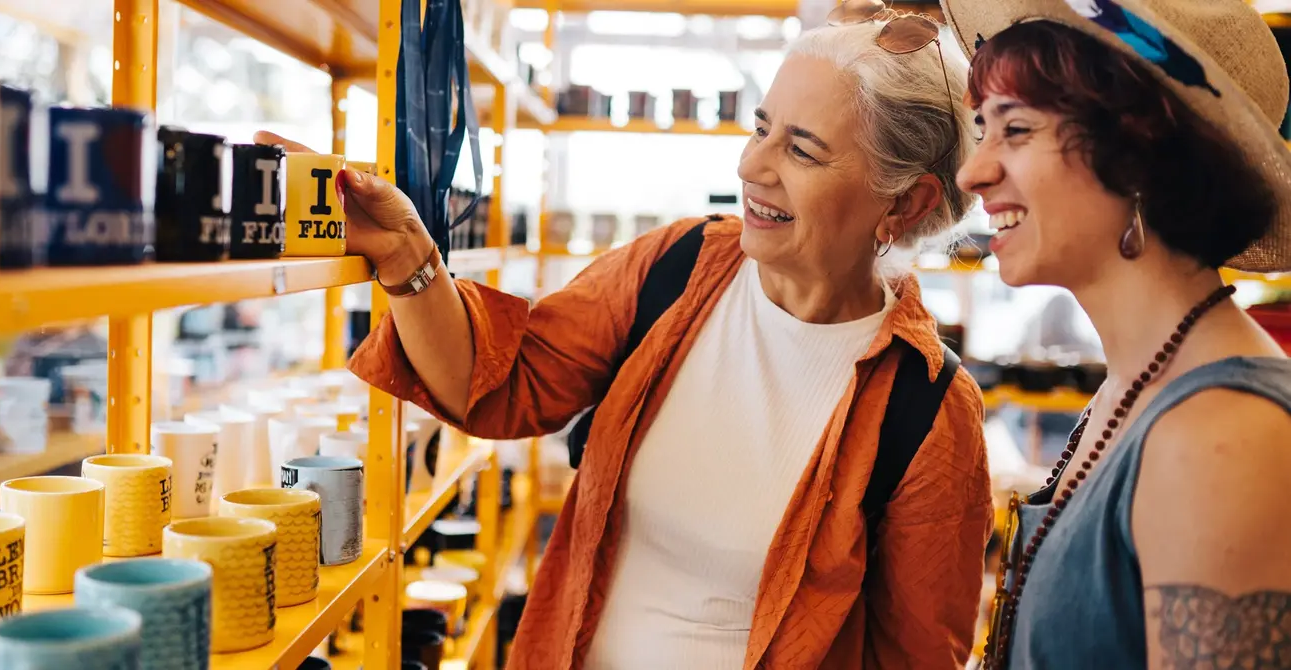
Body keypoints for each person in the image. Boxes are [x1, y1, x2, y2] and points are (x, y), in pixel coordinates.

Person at [267, 6, 991, 667]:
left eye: (801, 150)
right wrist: (404, 252)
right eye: (761, 127)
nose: (751, 167)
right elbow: (500, 382)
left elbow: (918, 656)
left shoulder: (926, 409)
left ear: (908, 201)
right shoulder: (678, 269)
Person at [942, 0, 1291, 667]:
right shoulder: (1133, 392)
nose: (973, 171)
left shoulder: (1221, 438)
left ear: (1137, 154)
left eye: (1014, 129)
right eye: (981, 129)